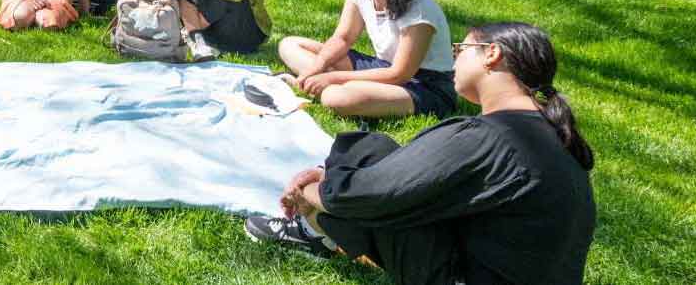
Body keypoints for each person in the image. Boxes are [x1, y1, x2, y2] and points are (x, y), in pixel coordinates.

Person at [246, 22, 596, 285]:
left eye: (461, 51)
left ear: (492, 54)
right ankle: (321, 227)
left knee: (369, 152)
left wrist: (308, 192)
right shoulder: (550, 134)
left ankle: (312, 231)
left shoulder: (491, 137)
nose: (454, 62)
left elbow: (372, 194)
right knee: (376, 173)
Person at [276, 0, 456, 118]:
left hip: (424, 84)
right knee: (289, 45)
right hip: (384, 67)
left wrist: (331, 78)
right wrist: (316, 67)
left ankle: (330, 87)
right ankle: (319, 83)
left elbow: (400, 74)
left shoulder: (419, 10)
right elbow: (343, 38)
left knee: (337, 98)